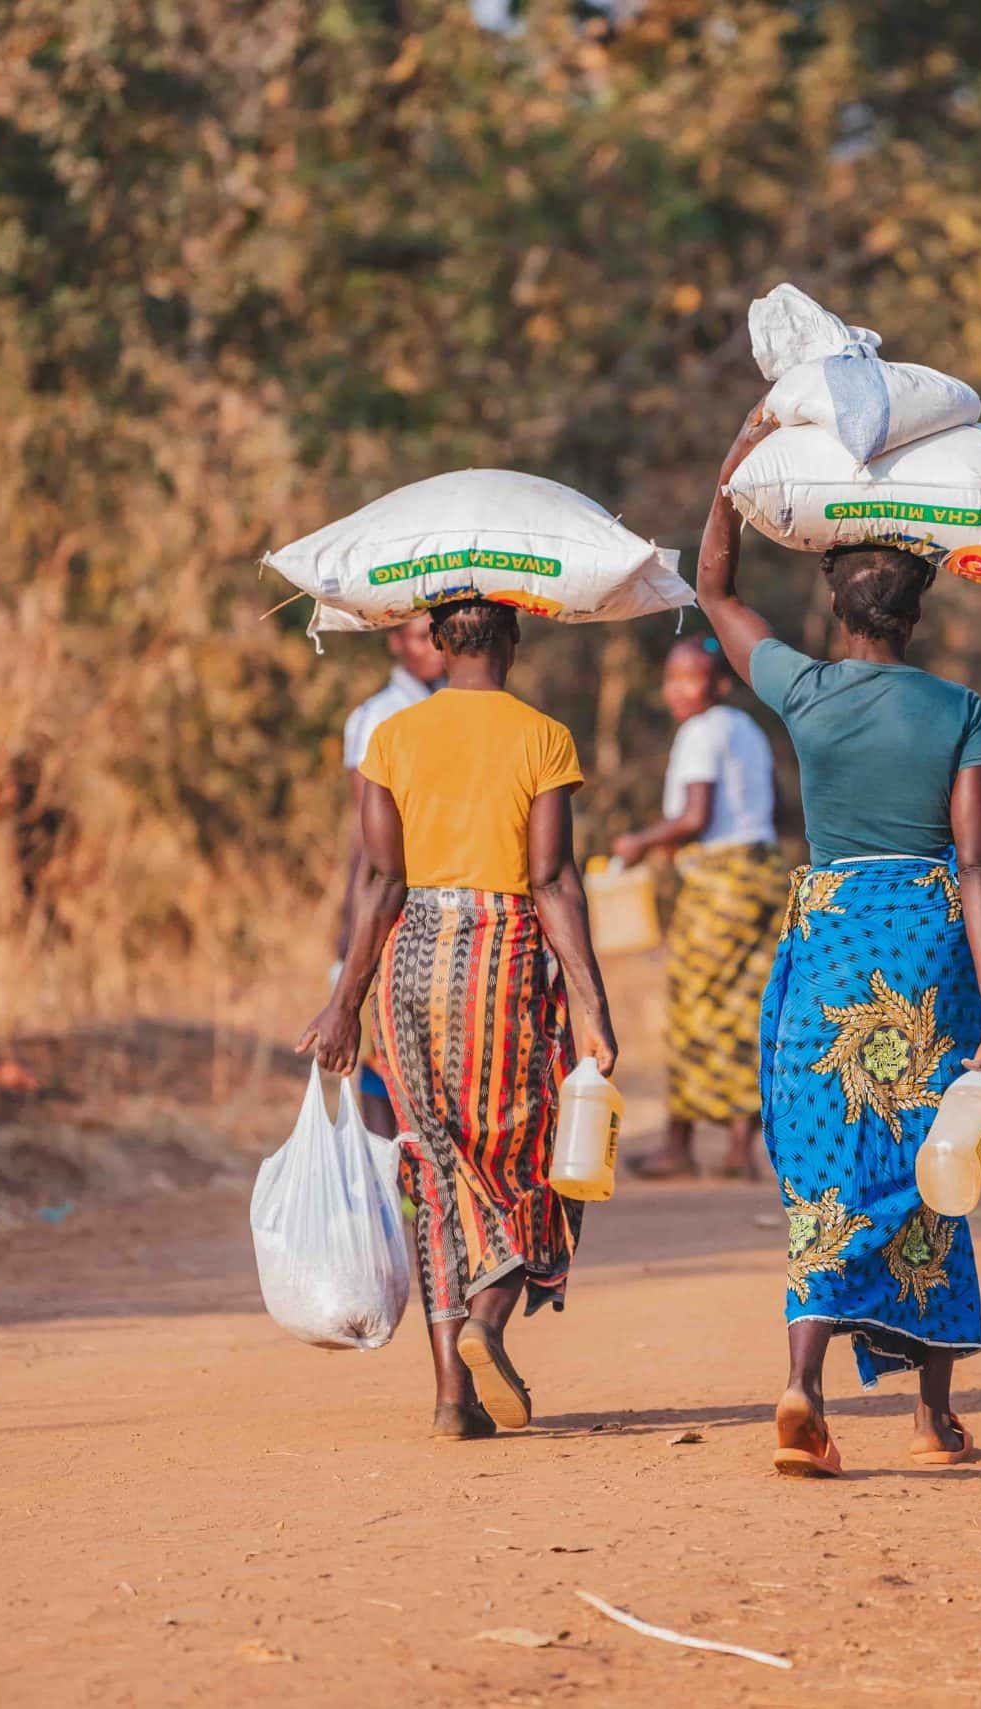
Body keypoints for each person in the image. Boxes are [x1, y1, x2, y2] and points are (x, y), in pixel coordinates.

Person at [694, 406, 981, 1477]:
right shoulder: (957, 708)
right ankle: (929, 1419)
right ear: (919, 614)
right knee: (932, 1160)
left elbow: (715, 592)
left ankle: (802, 1385)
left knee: (829, 1165)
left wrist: (735, 471)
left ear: (835, 606)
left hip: (830, 942)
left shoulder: (806, 690)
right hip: (926, 947)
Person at [300, 598, 620, 1441]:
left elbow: (378, 883)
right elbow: (552, 882)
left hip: (410, 965)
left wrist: (345, 1000)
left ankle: (452, 1399)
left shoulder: (392, 739)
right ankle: (487, 1320)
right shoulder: (543, 737)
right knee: (527, 1158)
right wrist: (592, 1003)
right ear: (512, 640)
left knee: (435, 1171)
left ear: (438, 642)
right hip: (501, 957)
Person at [612, 636, 787, 1180]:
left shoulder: (699, 732)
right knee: (746, 1007)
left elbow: (695, 817)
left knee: (692, 1006)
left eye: (691, 678)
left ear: (720, 684)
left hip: (717, 883)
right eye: (672, 678)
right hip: (762, 873)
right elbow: (778, 807)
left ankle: (680, 1145)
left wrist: (638, 842)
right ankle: (739, 1147)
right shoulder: (748, 730)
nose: (678, 690)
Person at [336, 613, 445, 1137]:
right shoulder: (376, 717)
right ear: (395, 641)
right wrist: (354, 919)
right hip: (393, 892)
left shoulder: (457, 708)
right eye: (423, 637)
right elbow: (369, 836)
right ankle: (391, 1178)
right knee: (382, 1049)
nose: (435, 648)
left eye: (439, 635)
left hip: (443, 890)